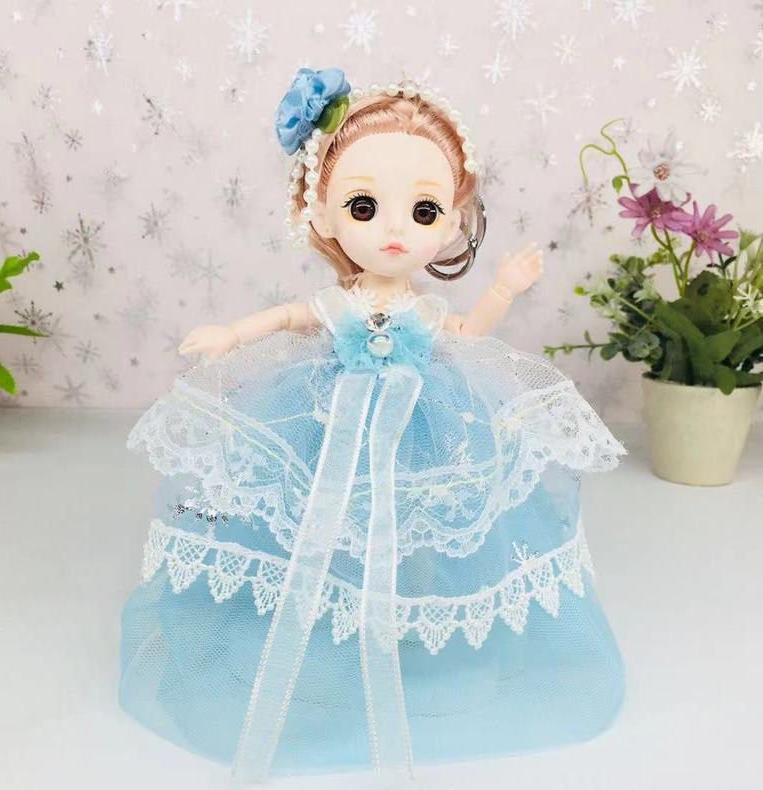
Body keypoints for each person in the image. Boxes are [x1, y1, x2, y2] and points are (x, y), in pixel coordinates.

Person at [119, 67, 627, 784]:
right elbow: (288, 318)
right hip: (328, 422)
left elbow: (467, 333)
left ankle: (407, 619)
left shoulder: (422, 308)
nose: (394, 230)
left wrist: (504, 290)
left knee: (416, 520)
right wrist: (228, 335)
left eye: (424, 211)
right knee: (322, 518)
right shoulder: (339, 304)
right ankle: (329, 620)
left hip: (421, 423)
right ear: (323, 216)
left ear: (452, 222)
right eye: (364, 206)